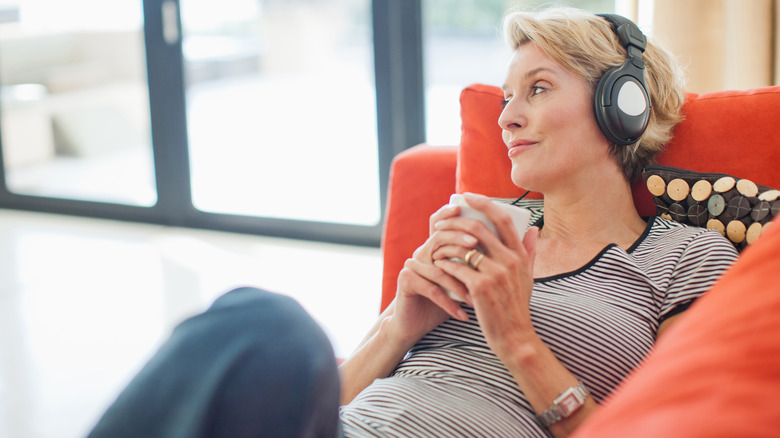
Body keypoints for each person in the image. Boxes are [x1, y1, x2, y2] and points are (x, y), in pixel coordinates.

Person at [88, 7, 738, 438]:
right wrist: (400, 322)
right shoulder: (486, 224)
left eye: (538, 89)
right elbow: (330, 400)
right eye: (507, 95)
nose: (507, 116)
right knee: (259, 323)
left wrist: (518, 339)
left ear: (619, 108)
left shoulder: (690, 261)